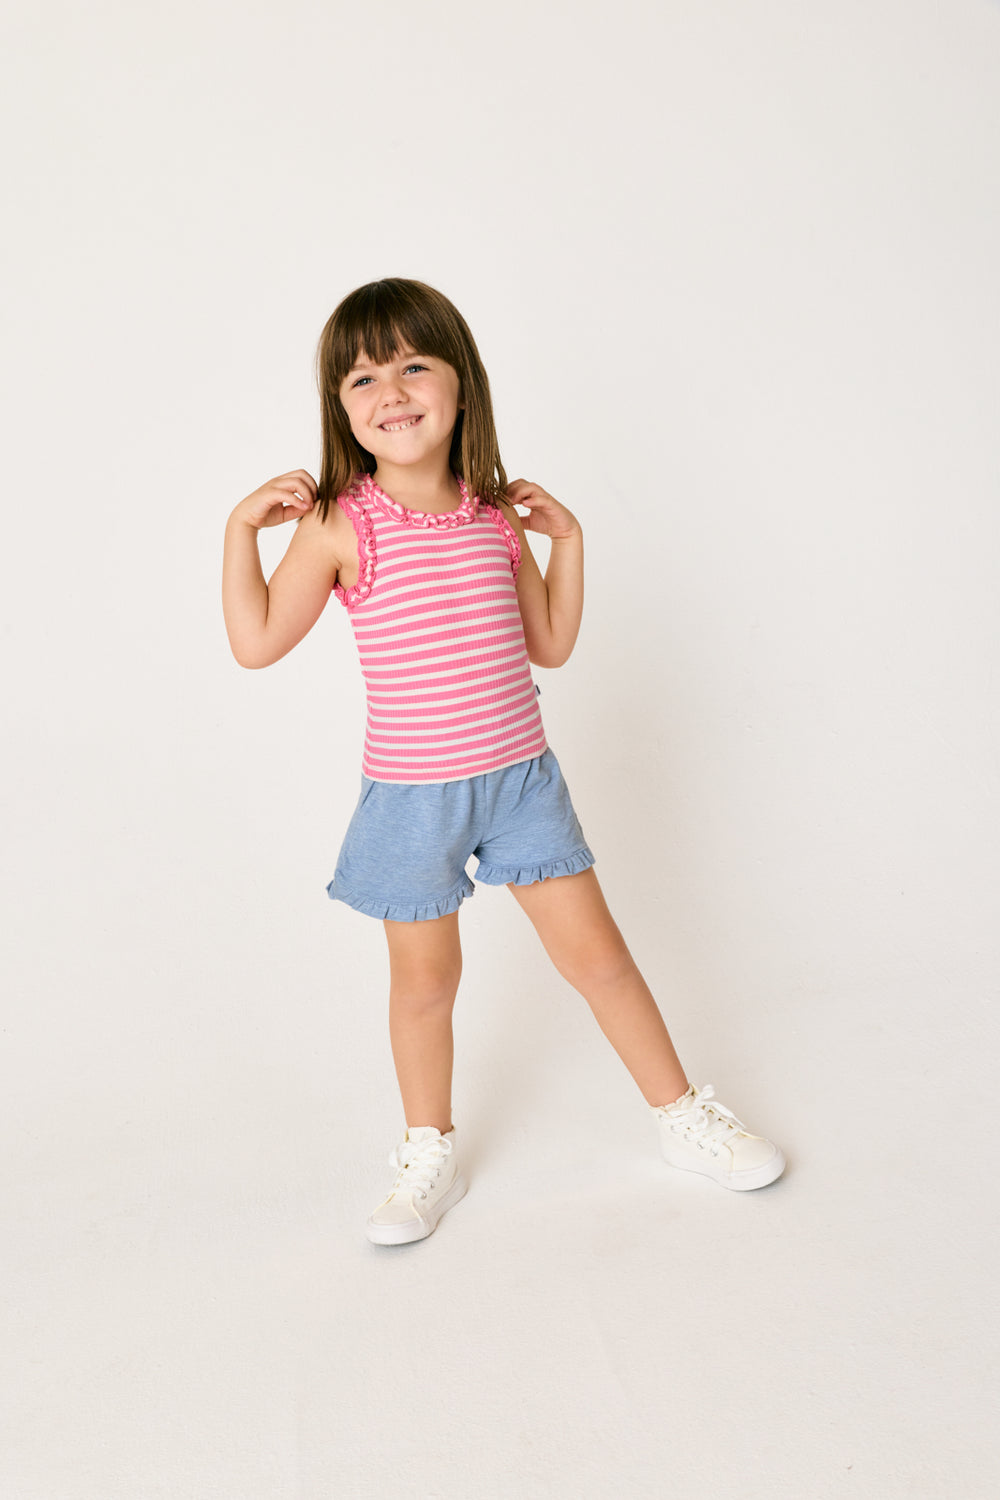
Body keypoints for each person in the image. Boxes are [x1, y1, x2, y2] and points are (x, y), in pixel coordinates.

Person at [222, 277, 785, 1246]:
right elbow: (258, 640)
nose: (389, 392)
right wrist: (238, 531)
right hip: (410, 800)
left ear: (460, 384)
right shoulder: (340, 523)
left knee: (599, 960)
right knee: (425, 984)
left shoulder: (490, 514)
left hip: (522, 784)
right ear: (338, 407)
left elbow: (550, 642)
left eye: (412, 365)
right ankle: (425, 1151)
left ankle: (680, 1116)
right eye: (361, 377)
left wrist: (565, 540)